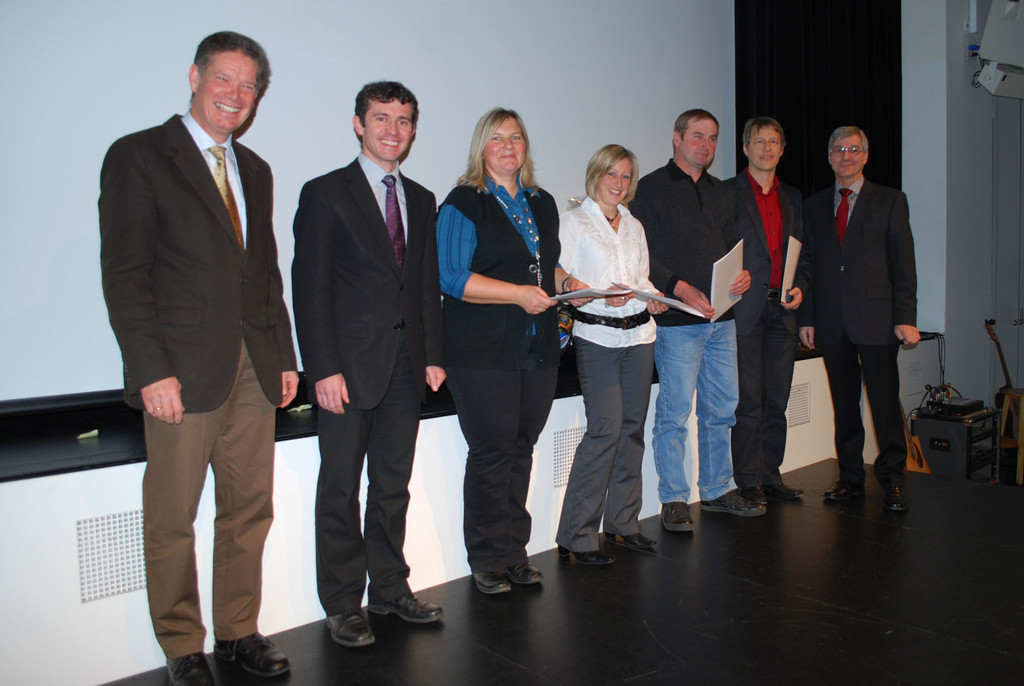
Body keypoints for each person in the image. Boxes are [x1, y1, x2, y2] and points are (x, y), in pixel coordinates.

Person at [99, 31, 297, 686]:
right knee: (172, 516)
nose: (234, 95)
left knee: (249, 509)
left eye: (248, 86)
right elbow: (125, 275)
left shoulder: (256, 170)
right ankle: (183, 645)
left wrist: (284, 355)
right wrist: (150, 369)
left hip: (253, 368)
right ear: (195, 77)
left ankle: (238, 631)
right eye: (223, 79)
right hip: (179, 372)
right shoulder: (139, 156)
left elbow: (264, 274)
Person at [291, 81, 446, 648]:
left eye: (403, 121)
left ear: (413, 130)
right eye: (381, 118)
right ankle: (341, 603)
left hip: (406, 368)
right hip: (346, 370)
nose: (392, 130)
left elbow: (424, 283)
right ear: (359, 124)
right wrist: (321, 368)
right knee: (340, 488)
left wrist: (433, 355)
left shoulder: (422, 199)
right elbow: (309, 290)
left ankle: (389, 589)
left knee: (391, 486)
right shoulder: (325, 193)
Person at [437, 108, 574, 594]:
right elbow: (451, 277)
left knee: (521, 450)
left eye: (516, 137)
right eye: (497, 138)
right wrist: (517, 295)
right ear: (482, 147)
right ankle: (487, 557)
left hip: (538, 347)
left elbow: (544, 265)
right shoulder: (464, 202)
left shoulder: (542, 201)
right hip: (482, 351)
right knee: (492, 452)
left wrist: (571, 285)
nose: (508, 146)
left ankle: (515, 551)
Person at [630, 108, 763, 533]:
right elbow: (642, 254)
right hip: (678, 321)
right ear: (677, 138)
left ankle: (718, 489)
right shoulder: (650, 188)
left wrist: (741, 275)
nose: (706, 145)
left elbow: (731, 246)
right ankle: (673, 498)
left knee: (722, 410)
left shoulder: (721, 191)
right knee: (674, 415)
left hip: (722, 319)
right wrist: (679, 288)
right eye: (698, 136)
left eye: (713, 138)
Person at [554, 145, 668, 565]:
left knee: (632, 429)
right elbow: (557, 273)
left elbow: (642, 278)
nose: (618, 182)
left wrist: (653, 297)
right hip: (596, 336)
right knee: (605, 429)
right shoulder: (574, 221)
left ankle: (623, 522)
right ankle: (577, 534)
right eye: (611, 174)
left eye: (625, 175)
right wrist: (583, 289)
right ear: (596, 174)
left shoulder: (634, 225)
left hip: (639, 336)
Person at [798, 126, 919, 512]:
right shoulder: (814, 205)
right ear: (829, 157)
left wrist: (906, 316)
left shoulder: (891, 201)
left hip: (878, 320)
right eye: (839, 149)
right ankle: (850, 478)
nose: (846, 156)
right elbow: (808, 264)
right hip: (832, 321)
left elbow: (903, 263)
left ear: (865, 156)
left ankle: (893, 481)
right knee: (844, 405)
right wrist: (807, 317)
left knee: (884, 405)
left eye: (853, 149)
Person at [728, 117, 811, 506]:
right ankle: (748, 479)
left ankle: (770, 473)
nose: (767, 148)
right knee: (749, 400)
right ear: (746, 148)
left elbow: (804, 254)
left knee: (777, 399)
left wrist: (801, 287)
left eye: (774, 142)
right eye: (759, 141)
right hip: (745, 309)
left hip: (783, 310)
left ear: (782, 149)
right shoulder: (727, 193)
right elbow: (719, 251)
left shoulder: (792, 197)